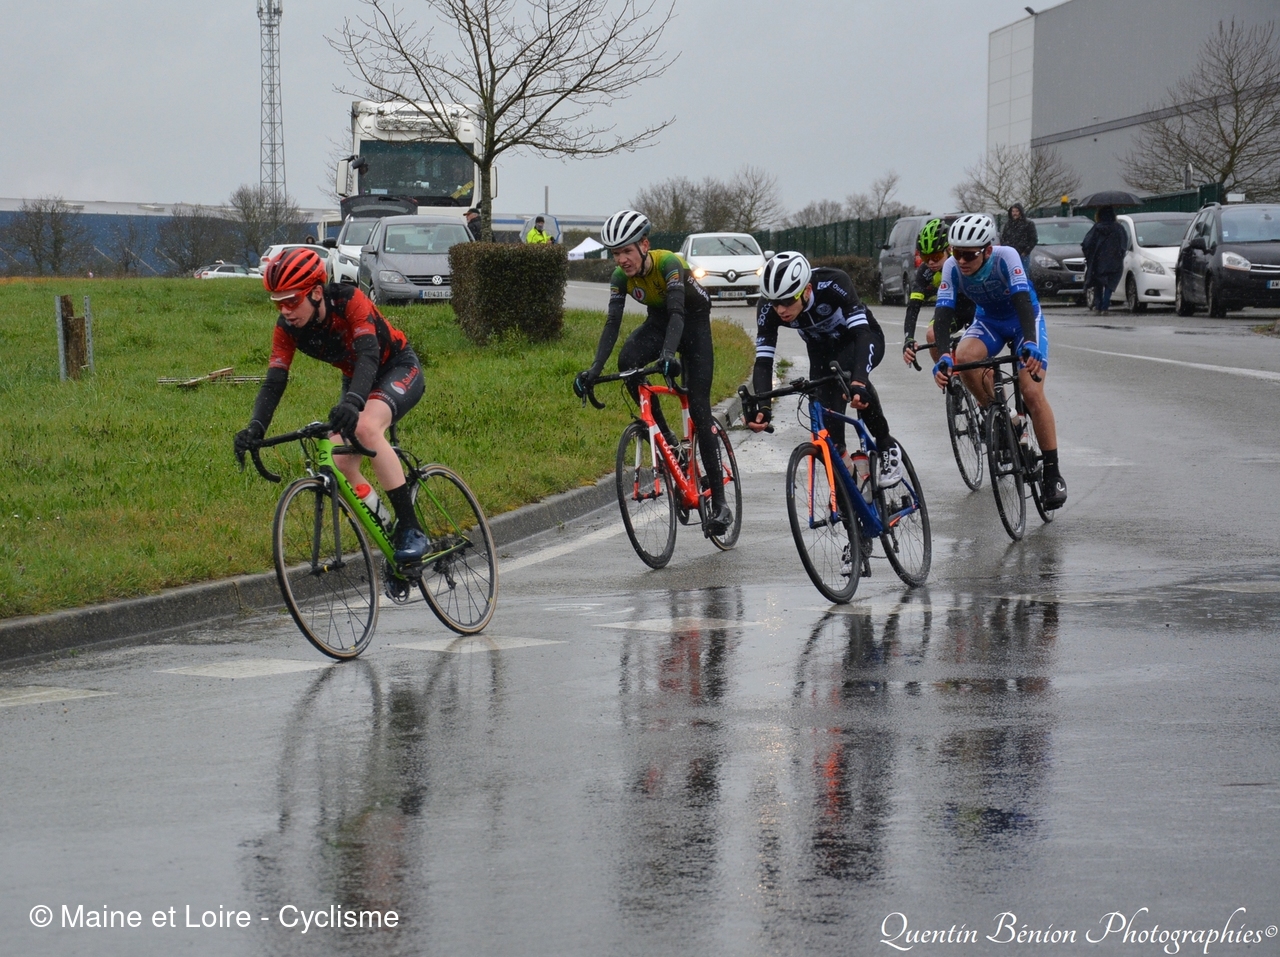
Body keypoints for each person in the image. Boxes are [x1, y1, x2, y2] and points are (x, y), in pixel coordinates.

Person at [233, 248, 430, 562]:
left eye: (291, 301)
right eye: (277, 303)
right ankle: (392, 540)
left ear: (315, 292)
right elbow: (274, 380)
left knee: (366, 428)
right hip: (356, 380)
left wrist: (353, 402)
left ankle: (411, 528)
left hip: (396, 368)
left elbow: (368, 355)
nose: (285, 311)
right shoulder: (287, 328)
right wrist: (255, 428)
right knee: (340, 462)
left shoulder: (348, 300)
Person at [573, 209, 732, 534]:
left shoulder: (668, 263)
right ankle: (668, 439)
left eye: (626, 251)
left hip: (693, 323)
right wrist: (594, 370)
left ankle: (720, 504)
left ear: (644, 245)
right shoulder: (620, 278)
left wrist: (668, 355)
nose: (622, 260)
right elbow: (612, 324)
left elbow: (678, 313)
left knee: (699, 410)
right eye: (615, 253)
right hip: (660, 322)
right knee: (627, 363)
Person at [931, 214, 1067, 509]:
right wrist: (943, 356)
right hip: (989, 321)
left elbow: (1022, 300)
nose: (961, 260)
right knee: (964, 357)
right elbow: (942, 314)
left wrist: (1029, 341)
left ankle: (1052, 472)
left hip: (1023, 320)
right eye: (956, 252)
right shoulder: (952, 267)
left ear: (988, 250)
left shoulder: (1007, 257)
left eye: (969, 255)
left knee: (1031, 392)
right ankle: (1002, 419)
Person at [745, 251, 904, 488]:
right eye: (775, 302)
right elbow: (764, 361)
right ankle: (850, 490)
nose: (781, 309)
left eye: (787, 301)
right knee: (829, 435)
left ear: (807, 290)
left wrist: (859, 381)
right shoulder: (769, 308)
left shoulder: (833, 283)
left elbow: (862, 333)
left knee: (849, 378)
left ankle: (886, 444)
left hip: (860, 339)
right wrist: (763, 406)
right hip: (821, 352)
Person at [902, 218, 977, 368]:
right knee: (932, 334)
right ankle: (946, 372)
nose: (931, 263)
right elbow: (913, 306)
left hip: (975, 308)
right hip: (952, 311)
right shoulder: (926, 272)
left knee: (972, 356)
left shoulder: (963, 263)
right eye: (925, 257)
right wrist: (908, 338)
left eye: (936, 257)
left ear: (949, 249)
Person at [1081, 205, 1127, 314]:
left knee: (1098, 284)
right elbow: (1123, 244)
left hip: (1098, 260)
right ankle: (1105, 307)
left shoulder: (1096, 228)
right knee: (1110, 284)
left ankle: (1098, 306)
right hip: (1114, 260)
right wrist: (1119, 255)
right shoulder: (1119, 228)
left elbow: (1087, 244)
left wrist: (1090, 256)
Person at [999, 203, 1038, 272]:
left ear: (1021, 212)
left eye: (1017, 211)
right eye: (1013, 211)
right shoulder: (1008, 224)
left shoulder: (1028, 224)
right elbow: (1003, 238)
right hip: (1010, 255)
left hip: (1022, 255)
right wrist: (1006, 249)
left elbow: (1033, 239)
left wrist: (1025, 252)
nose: (1014, 213)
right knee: (1010, 273)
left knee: (1023, 273)